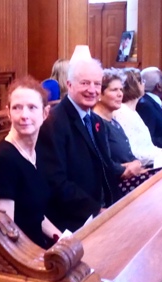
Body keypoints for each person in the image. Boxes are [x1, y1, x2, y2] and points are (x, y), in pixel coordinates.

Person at [36, 58, 127, 232]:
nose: (92, 90)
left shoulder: (96, 121)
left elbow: (105, 167)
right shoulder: (53, 124)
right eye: (85, 83)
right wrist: (96, 211)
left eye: (97, 84)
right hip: (74, 221)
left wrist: (119, 208)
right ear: (69, 85)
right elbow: (57, 183)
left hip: (104, 212)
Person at [0, 76, 61, 249]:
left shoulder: (35, 152)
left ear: (45, 113)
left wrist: (63, 239)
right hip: (22, 257)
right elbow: (6, 231)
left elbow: (36, 215)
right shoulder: (4, 159)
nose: (24, 115)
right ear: (8, 113)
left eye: (32, 107)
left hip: (39, 247)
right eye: (17, 108)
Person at [93, 68, 148, 195]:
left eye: (121, 89)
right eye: (114, 90)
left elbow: (129, 154)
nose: (120, 94)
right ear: (100, 94)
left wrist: (137, 163)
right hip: (114, 186)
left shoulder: (114, 121)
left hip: (132, 176)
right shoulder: (96, 123)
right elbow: (103, 163)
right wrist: (127, 169)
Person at [113, 68, 162, 165]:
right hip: (145, 167)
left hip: (154, 160)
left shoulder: (133, 111)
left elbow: (147, 147)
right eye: (141, 81)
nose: (144, 84)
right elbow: (133, 153)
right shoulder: (122, 112)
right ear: (133, 86)